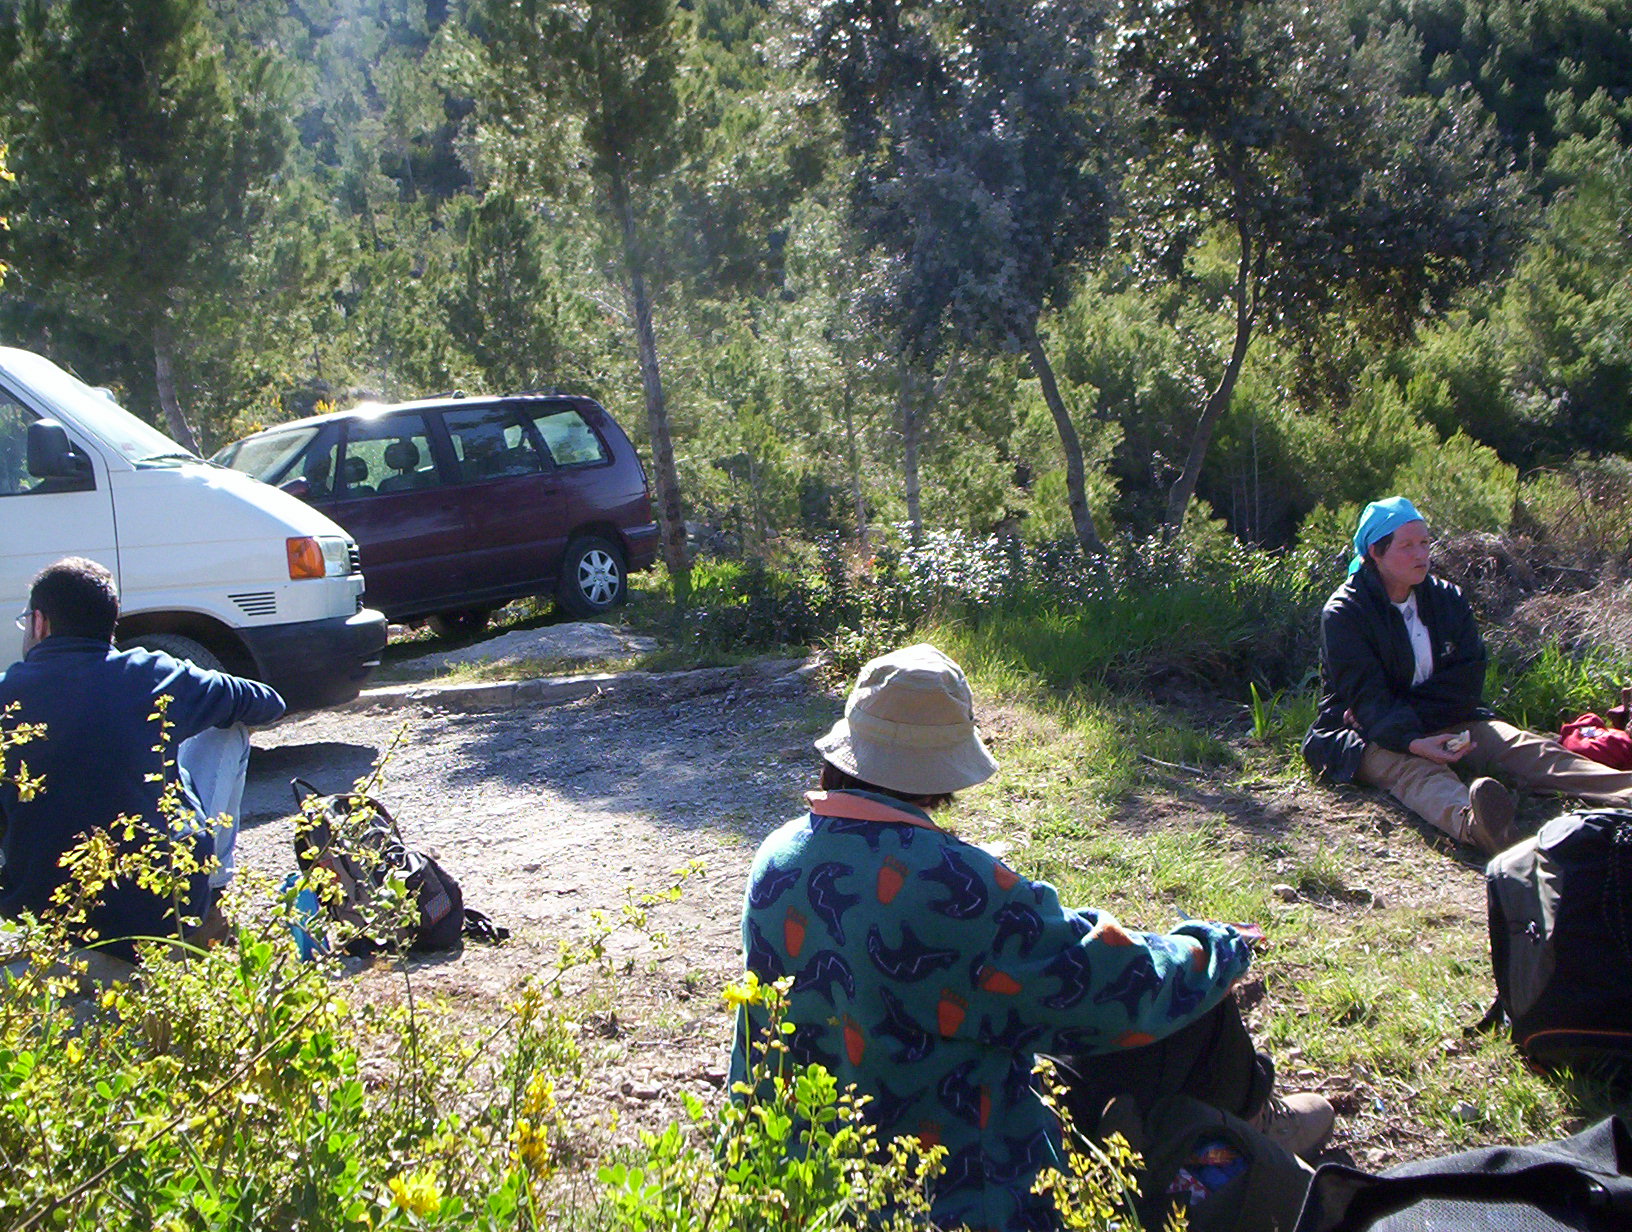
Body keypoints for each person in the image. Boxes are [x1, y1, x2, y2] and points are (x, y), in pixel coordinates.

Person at [731, 644, 1333, 1232]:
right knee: (1194, 999)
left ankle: (1241, 1122)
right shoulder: (953, 884)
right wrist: (1217, 945)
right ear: (944, 769)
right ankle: (1245, 1129)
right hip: (956, 1194)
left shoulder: (777, 855)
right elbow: (1112, 991)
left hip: (800, 1177)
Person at [1302, 497, 1632, 855]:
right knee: (1418, 773)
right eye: (1407, 545)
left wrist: (1427, 724)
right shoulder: (1345, 613)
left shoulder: (1448, 599)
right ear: (1375, 552)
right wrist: (1413, 741)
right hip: (1365, 732)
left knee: (1524, 748)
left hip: (1448, 718)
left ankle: (1625, 790)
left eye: (1425, 542)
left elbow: (1466, 681)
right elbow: (1368, 699)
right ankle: (1477, 825)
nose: (1421, 554)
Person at [0, 557, 285, 963]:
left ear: (40, 623)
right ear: (111, 623)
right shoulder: (154, 673)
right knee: (229, 727)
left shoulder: (6, 695)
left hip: (48, 919)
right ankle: (212, 902)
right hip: (165, 910)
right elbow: (269, 703)